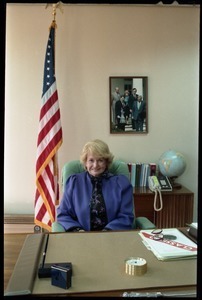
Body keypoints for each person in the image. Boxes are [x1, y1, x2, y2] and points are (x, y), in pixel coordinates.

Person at [57, 139, 134, 232]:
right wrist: (78, 231)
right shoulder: (74, 182)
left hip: (113, 236)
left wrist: (107, 232)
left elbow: (126, 216)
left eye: (100, 160)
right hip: (81, 237)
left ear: (106, 162)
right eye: (91, 160)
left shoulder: (121, 184)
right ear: (85, 162)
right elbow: (63, 214)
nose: (95, 165)